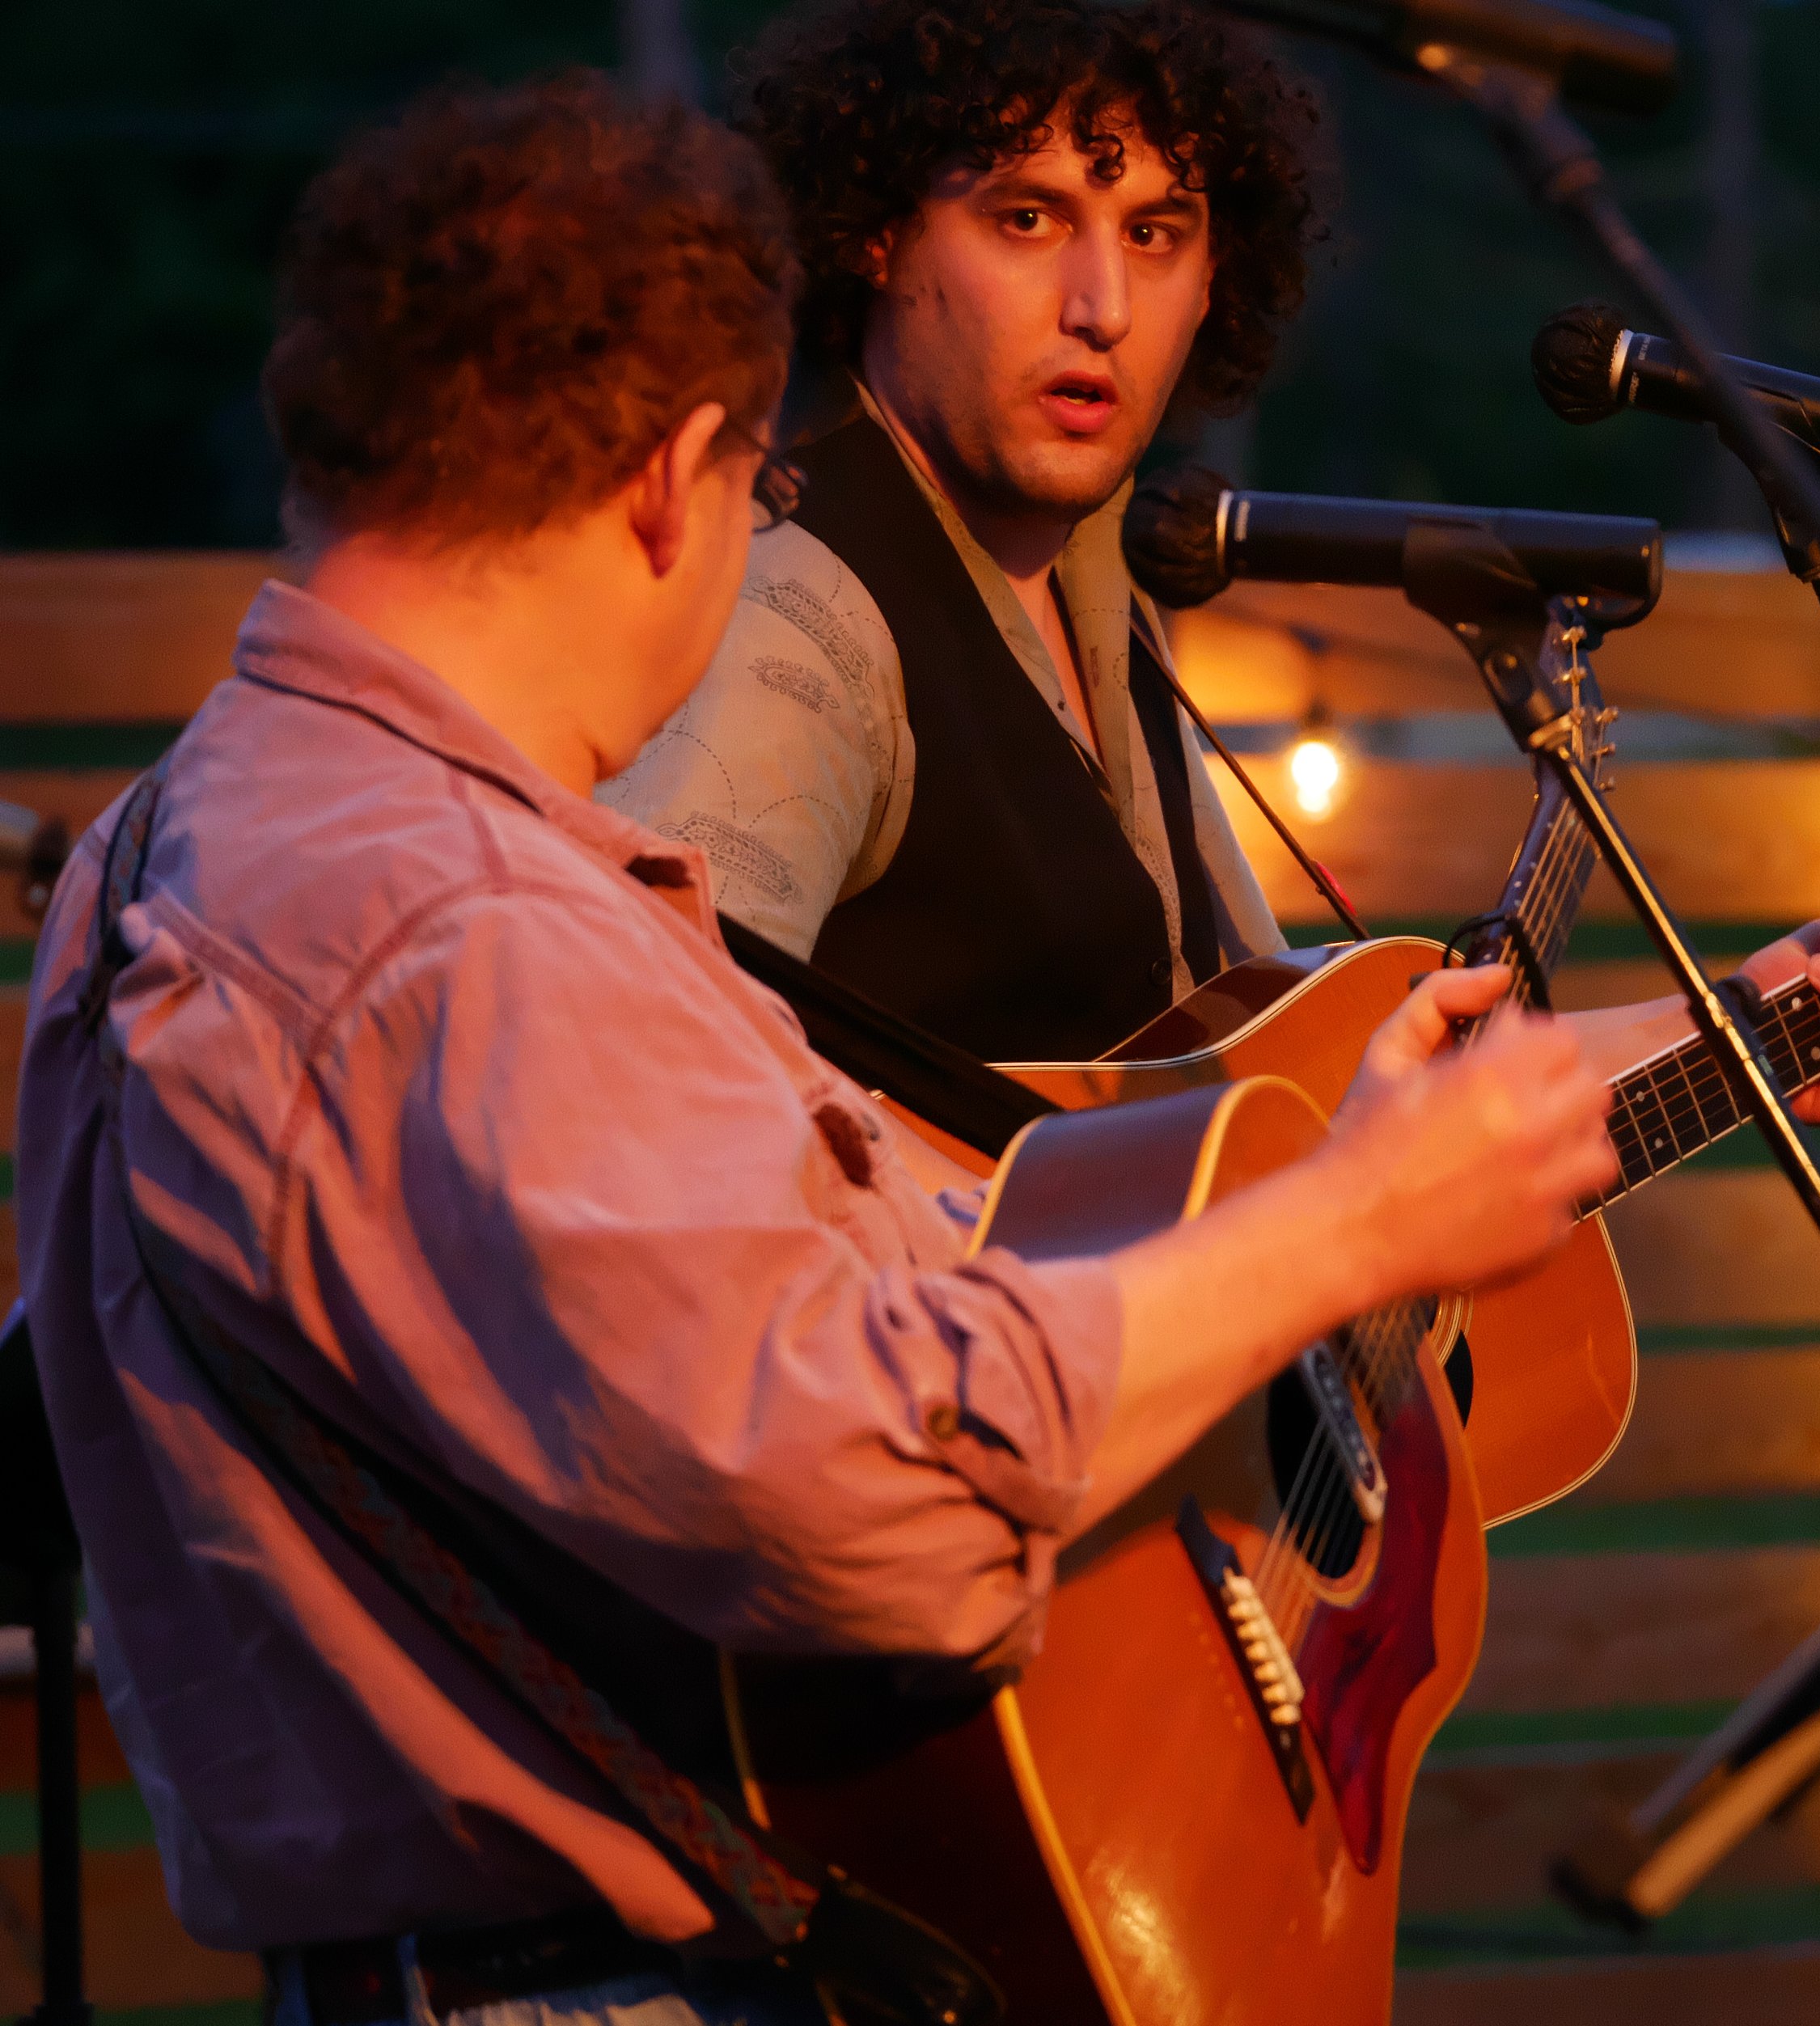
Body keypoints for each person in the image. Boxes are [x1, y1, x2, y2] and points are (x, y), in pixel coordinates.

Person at [19, 74, 1619, 2026]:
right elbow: (889, 1511)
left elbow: (706, 1301)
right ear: (676, 475)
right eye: (765, 491)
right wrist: (1346, 1233)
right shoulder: (468, 929)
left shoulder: (180, 837)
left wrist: (1348, 1164)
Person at [601, 0, 1820, 1115]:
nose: (1102, 306)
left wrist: (1748, 1018)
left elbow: (1304, 1094)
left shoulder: (1096, 603)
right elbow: (654, 1118)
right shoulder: (801, 616)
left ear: (1218, 276)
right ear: (875, 234)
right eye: (1027, 218)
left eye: (1156, 233)